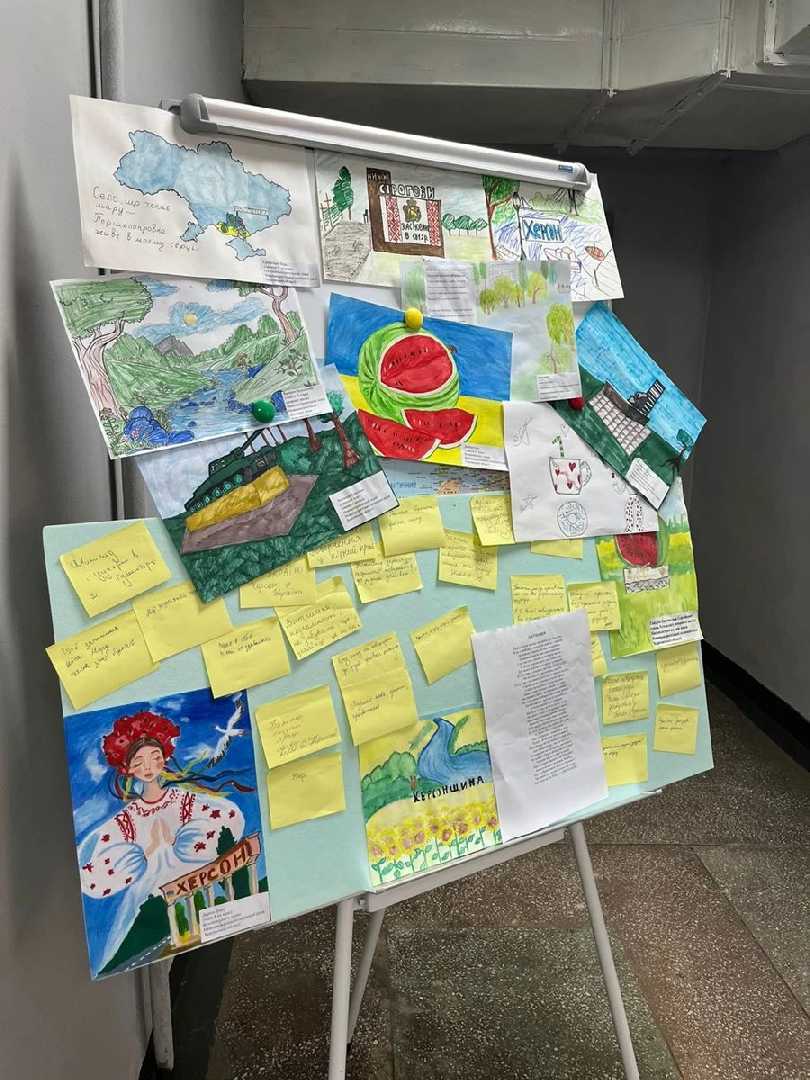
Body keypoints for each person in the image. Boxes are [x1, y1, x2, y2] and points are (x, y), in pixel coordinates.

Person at [79, 708, 247, 969]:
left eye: (154, 757)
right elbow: (93, 872)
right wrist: (149, 851)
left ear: (164, 758)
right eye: (139, 761)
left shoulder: (182, 801)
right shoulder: (127, 819)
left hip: (197, 881)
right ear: (127, 768)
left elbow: (228, 819)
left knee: (209, 942)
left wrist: (182, 842)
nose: (148, 767)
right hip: (152, 894)